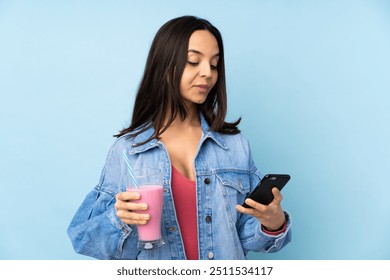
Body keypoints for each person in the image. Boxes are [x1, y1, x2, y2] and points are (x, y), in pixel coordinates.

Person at [67, 15, 291, 260]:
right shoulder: (128, 151)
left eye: (214, 65)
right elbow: (83, 239)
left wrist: (273, 222)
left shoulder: (234, 146)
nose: (207, 73)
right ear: (164, 66)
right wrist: (119, 220)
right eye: (193, 61)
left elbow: (245, 234)